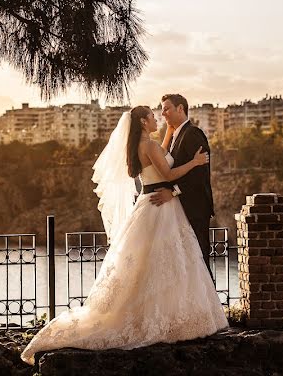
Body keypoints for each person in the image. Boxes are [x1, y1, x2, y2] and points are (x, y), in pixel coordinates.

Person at [20, 105, 227, 364]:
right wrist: (195, 162)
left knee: (147, 265)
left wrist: (168, 132)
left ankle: (151, 315)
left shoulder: (141, 146)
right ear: (142, 121)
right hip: (161, 206)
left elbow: (158, 157)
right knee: (169, 263)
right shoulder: (149, 146)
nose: (157, 118)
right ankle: (167, 318)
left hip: (147, 202)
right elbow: (169, 173)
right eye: (152, 116)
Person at [146, 94, 215, 270]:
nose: (163, 113)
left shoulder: (193, 134)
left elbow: (200, 174)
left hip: (195, 209)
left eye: (166, 108)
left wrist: (174, 191)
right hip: (180, 210)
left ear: (180, 109)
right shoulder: (176, 135)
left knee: (199, 265)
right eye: (162, 109)